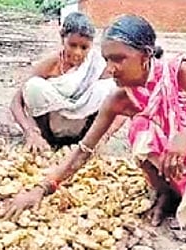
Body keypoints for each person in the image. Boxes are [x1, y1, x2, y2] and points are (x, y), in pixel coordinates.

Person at [0, 15, 186, 240]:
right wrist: (41, 190)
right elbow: (83, 151)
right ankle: (166, 193)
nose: (110, 68)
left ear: (146, 55)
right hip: (170, 162)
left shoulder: (181, 73)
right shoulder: (120, 99)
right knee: (140, 128)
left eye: (119, 59)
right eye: (107, 59)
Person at [10, 12, 124, 152]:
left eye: (84, 47)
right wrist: (30, 132)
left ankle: (89, 143)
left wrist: (105, 135)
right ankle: (45, 141)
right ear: (62, 38)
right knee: (34, 86)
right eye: (72, 45)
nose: (77, 53)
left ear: (91, 46)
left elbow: (123, 102)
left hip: (84, 134)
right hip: (49, 132)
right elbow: (16, 102)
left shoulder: (97, 65)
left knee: (108, 88)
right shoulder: (50, 63)